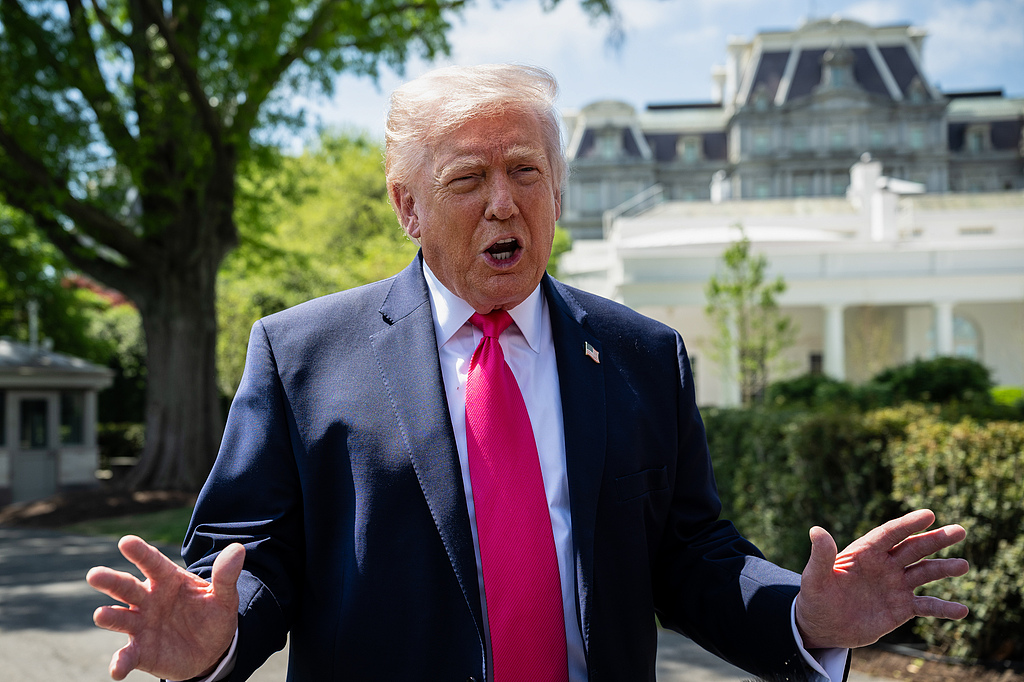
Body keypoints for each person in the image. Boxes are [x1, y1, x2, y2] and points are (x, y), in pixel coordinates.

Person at [86, 64, 970, 682]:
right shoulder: (302, 353)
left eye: (526, 172)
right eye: (469, 178)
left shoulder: (641, 355)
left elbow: (693, 557)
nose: (504, 201)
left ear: (556, 191)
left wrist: (803, 617)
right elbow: (251, 565)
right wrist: (215, 636)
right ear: (408, 207)